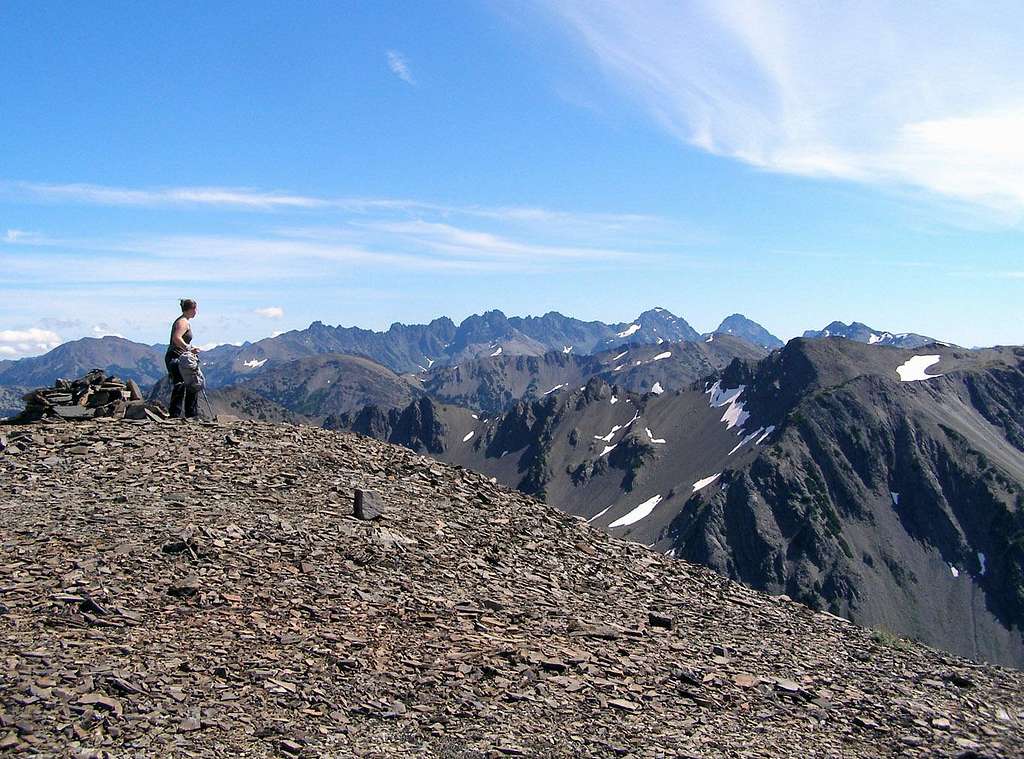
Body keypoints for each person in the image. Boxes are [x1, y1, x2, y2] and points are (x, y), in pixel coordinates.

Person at [166, 298, 201, 418]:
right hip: (177, 356)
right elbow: (177, 338)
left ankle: (182, 414)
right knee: (184, 383)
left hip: (177, 356)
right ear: (191, 309)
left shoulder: (183, 321)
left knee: (184, 383)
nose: (196, 311)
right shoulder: (183, 322)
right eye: (195, 309)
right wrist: (189, 349)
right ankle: (182, 414)